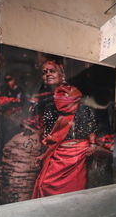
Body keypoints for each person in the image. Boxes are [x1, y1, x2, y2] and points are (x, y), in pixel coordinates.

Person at [32, 59, 99, 198]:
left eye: (52, 71)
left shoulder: (74, 99)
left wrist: (92, 144)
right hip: (61, 152)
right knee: (47, 185)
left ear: (62, 74)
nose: (48, 74)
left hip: (80, 152)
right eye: (44, 72)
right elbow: (53, 136)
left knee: (74, 186)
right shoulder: (48, 103)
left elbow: (90, 123)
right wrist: (44, 155)